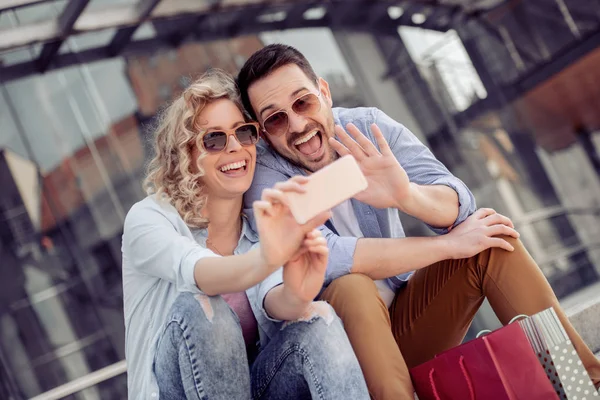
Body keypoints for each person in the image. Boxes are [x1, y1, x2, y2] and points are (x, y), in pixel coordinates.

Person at [238, 44, 600, 399]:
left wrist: (406, 195)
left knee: (492, 237)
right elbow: (328, 257)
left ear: (324, 92)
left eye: (303, 102)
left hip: (407, 324)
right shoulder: (265, 175)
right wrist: (443, 246)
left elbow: (458, 202)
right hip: (342, 361)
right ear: (262, 131)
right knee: (350, 286)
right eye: (276, 118)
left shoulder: (368, 126)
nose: (298, 124)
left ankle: (584, 386)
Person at [121, 69, 370, 400]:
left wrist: (299, 290)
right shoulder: (151, 218)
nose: (235, 147)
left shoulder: (257, 223)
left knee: (318, 319)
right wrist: (269, 256)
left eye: (244, 133)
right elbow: (203, 274)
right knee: (207, 310)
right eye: (214, 139)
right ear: (186, 155)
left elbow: (274, 301)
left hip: (255, 387)